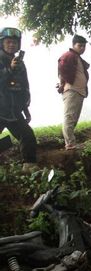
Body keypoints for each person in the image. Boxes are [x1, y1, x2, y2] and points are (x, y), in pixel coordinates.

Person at [0, 27, 38, 172]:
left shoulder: (20, 63)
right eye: (8, 42)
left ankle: (30, 167)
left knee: (27, 135)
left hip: (14, 111)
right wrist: (8, 70)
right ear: (2, 43)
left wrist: (25, 108)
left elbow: (24, 87)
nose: (12, 45)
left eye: (15, 43)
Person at [57, 34, 89, 150]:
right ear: (73, 45)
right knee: (69, 118)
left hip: (78, 91)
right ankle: (70, 144)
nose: (82, 48)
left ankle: (71, 143)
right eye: (80, 45)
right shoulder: (69, 55)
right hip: (72, 90)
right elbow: (61, 68)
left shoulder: (76, 57)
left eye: (84, 46)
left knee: (73, 119)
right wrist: (62, 84)